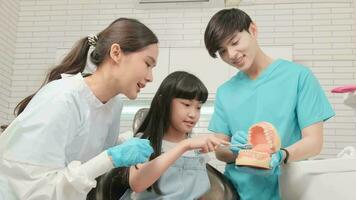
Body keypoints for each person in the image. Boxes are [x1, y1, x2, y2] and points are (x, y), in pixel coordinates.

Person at [0, 18, 159, 200]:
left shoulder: (114, 106)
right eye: (148, 64)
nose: (150, 77)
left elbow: (85, 159)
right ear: (116, 53)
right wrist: (110, 157)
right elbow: (33, 191)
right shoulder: (62, 98)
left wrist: (119, 144)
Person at [204, 8, 335, 200]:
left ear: (253, 30)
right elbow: (220, 150)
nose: (231, 54)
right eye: (222, 51)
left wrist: (282, 155)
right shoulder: (225, 92)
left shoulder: (298, 77)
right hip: (239, 193)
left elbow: (314, 142)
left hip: (289, 190)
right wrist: (232, 149)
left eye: (234, 42)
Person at [119, 71, 228, 200]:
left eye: (198, 107)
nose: (193, 114)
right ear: (163, 102)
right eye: (186, 105)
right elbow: (137, 184)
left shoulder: (197, 150)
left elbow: (197, 193)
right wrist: (184, 146)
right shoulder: (143, 143)